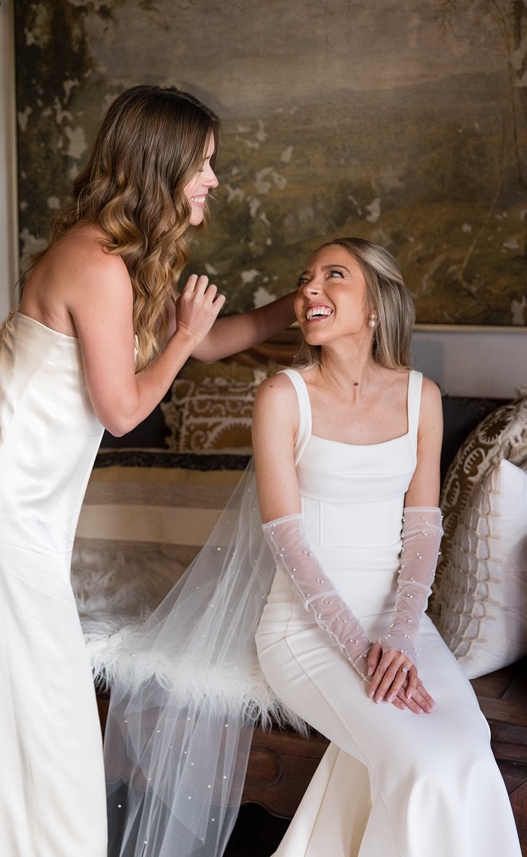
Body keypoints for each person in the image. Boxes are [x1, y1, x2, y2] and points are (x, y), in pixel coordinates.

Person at [0, 84, 297, 857]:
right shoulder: (94, 260)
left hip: (15, 493)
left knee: (22, 686)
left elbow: (202, 344)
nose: (214, 180)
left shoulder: (117, 257)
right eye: (204, 163)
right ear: (162, 165)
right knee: (47, 692)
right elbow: (125, 409)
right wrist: (183, 330)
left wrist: (284, 314)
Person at [103, 238, 519, 856]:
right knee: (422, 765)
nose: (310, 288)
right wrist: (360, 650)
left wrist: (400, 639)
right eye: (305, 279)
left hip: (401, 628)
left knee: (466, 750)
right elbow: (288, 540)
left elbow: (424, 527)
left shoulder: (420, 396)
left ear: (376, 305)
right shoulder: (280, 397)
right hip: (304, 631)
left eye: (334, 275)